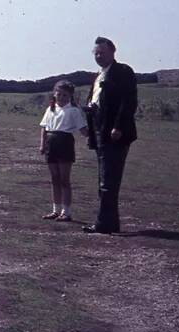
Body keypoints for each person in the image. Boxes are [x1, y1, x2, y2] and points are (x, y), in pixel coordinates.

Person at [83, 37, 138, 234]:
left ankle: (103, 224)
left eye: (102, 53)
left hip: (114, 133)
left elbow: (128, 102)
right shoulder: (98, 75)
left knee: (108, 181)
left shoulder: (122, 72)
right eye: (96, 53)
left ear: (113, 52)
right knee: (105, 179)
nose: (99, 56)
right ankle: (110, 223)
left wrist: (118, 127)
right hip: (99, 130)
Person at [38, 80, 88, 222]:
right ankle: (55, 210)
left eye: (65, 95)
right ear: (54, 94)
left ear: (70, 96)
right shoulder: (50, 109)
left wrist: (93, 128)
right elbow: (44, 128)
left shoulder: (73, 111)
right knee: (54, 178)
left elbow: (83, 130)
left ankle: (66, 212)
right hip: (51, 143)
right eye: (59, 94)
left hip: (65, 142)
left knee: (64, 179)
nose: (61, 98)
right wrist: (42, 144)